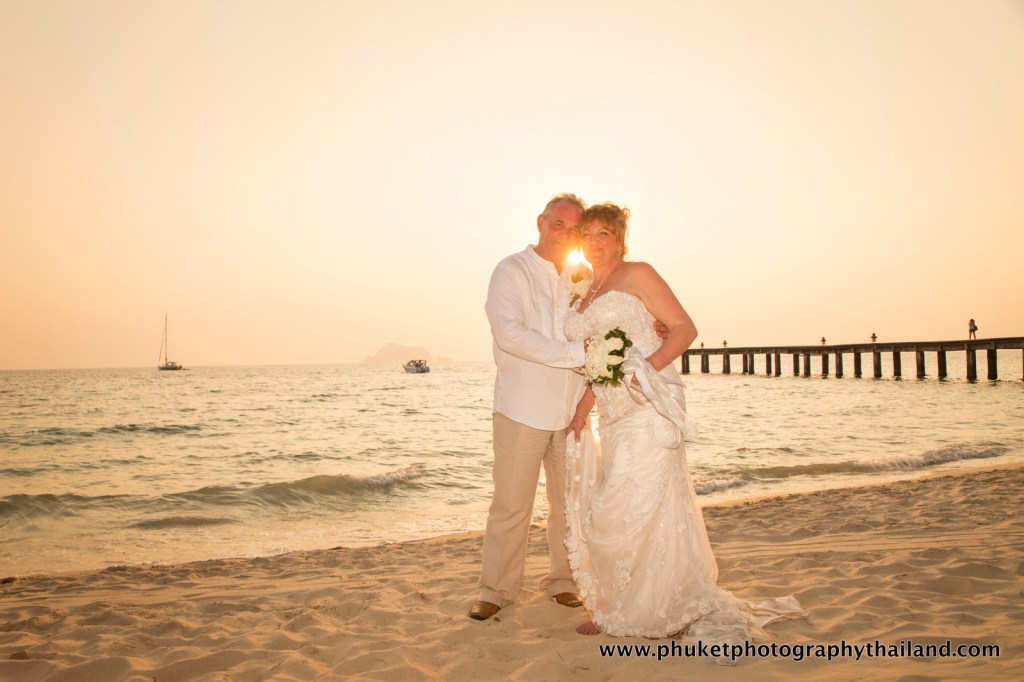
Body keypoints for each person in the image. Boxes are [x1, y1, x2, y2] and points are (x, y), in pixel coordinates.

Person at [563, 203, 805, 639]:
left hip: (650, 405)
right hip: (614, 414)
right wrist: (583, 409)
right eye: (588, 235)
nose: (595, 242)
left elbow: (684, 328)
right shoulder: (586, 291)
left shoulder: (638, 274)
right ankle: (622, 601)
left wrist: (647, 369)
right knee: (619, 503)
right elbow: (598, 359)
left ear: (619, 239)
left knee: (640, 502)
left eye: (604, 234)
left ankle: (642, 608)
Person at [469, 193, 590, 621]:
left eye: (575, 229)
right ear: (540, 222)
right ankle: (497, 589)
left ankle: (564, 582)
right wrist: (575, 353)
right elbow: (510, 335)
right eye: (559, 224)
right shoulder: (511, 271)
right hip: (522, 409)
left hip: (572, 410)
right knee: (511, 506)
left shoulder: (583, 276)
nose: (566, 234)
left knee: (569, 506)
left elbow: (606, 323)